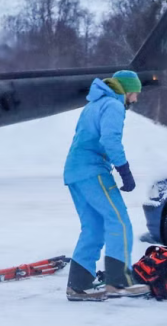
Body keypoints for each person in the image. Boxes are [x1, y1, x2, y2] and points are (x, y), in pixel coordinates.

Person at [63, 70, 150, 301]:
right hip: (93, 170)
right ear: (127, 90)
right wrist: (125, 170)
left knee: (93, 228)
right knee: (119, 222)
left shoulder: (94, 104)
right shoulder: (113, 105)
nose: (136, 99)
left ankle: (78, 287)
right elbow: (110, 140)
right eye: (135, 93)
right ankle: (118, 281)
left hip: (74, 172)